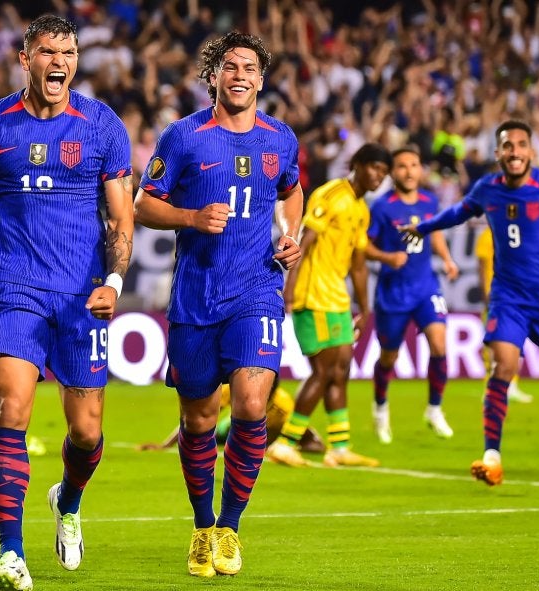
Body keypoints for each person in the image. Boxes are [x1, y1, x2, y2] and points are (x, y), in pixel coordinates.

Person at [0, 15, 134, 591]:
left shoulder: (103, 125)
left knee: (86, 433)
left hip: (83, 300)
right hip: (15, 291)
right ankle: (11, 555)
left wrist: (114, 280)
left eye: (69, 51)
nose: (59, 61)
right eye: (47, 51)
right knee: (13, 410)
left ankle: (69, 500)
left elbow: (122, 218)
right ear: (24, 58)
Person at [134, 31, 303, 578]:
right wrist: (191, 217)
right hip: (195, 299)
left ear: (261, 78)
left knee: (254, 405)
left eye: (250, 68)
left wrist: (289, 231)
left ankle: (230, 525)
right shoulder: (183, 138)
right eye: (229, 66)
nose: (240, 76)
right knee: (199, 417)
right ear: (213, 76)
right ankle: (203, 525)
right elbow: (143, 205)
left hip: (257, 291)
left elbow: (292, 188)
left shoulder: (281, 138)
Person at [401, 120, 539, 486]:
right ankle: (492, 456)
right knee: (502, 365)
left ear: (531, 152)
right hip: (508, 298)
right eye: (508, 146)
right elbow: (458, 212)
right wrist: (423, 228)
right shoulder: (488, 189)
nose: (515, 152)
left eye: (521, 145)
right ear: (497, 153)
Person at [268, 143, 391, 469]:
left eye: (383, 172)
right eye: (374, 168)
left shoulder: (361, 208)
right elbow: (305, 240)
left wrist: (364, 308)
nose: (378, 176)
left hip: (337, 298)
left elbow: (359, 263)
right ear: (358, 165)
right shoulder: (331, 195)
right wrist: (290, 288)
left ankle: (339, 445)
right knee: (324, 371)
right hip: (312, 295)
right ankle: (286, 443)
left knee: (341, 370)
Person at [364, 146, 459, 444]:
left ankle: (434, 408)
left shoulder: (430, 201)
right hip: (394, 293)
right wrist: (387, 258)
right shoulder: (382, 207)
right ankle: (380, 407)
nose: (408, 171)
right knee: (389, 358)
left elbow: (436, 232)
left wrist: (447, 258)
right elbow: (363, 246)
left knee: (440, 344)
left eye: (414, 165)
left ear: (421, 170)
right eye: (402, 166)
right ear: (394, 172)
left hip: (426, 288)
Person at [136, 377, 327, 457]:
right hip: (230, 430)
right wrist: (165, 445)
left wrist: (281, 445)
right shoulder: (234, 390)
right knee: (207, 431)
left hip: (268, 436)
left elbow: (315, 443)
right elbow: (194, 418)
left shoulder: (284, 406)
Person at [475, 226, 534, 403]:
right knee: (493, 345)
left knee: (514, 341)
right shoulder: (487, 236)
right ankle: (490, 385)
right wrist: (485, 294)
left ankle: (512, 385)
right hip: (494, 295)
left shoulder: (516, 234)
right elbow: (482, 266)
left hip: (514, 295)